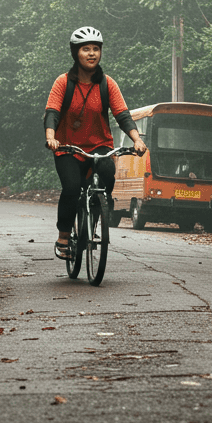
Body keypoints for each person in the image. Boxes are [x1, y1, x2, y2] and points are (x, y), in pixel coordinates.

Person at [44, 27, 146, 260]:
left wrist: (137, 140)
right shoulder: (63, 82)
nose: (92, 54)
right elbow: (52, 112)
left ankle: (91, 221)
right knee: (71, 187)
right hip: (68, 147)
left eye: (96, 49)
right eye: (86, 49)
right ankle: (63, 235)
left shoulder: (107, 84)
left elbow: (123, 115)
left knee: (107, 176)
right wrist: (51, 136)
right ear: (75, 53)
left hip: (100, 146)